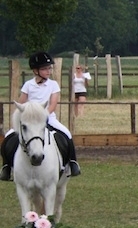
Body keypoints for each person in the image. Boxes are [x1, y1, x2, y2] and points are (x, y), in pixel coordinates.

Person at [0, 51, 81, 181]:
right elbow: (21, 103)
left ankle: (72, 162)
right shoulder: (28, 85)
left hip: (48, 117)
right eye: (44, 69)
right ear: (35, 71)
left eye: (49, 68)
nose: (48, 71)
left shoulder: (53, 85)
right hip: (30, 120)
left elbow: (53, 105)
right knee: (9, 136)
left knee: (67, 134)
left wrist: (43, 116)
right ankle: (6, 167)